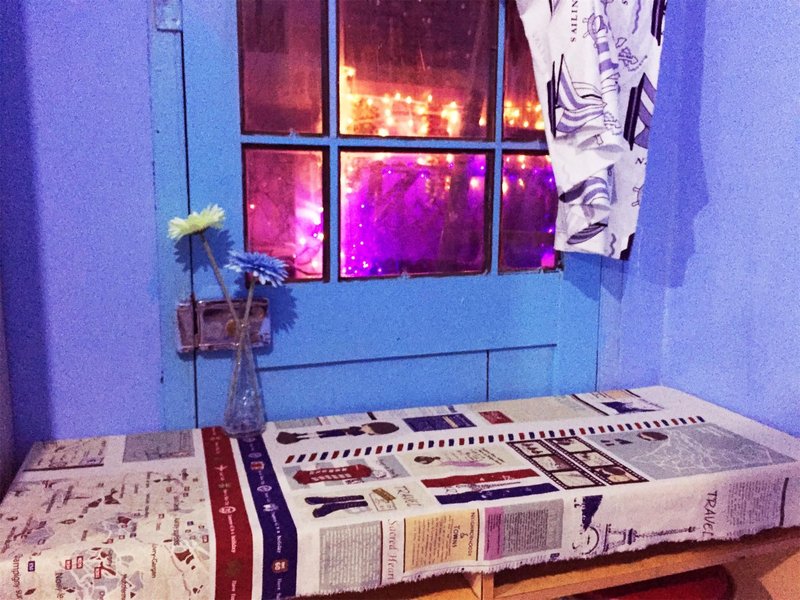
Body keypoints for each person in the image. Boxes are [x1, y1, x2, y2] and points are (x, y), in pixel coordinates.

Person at [276, 421, 399, 444]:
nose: (367, 429)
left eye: (371, 431)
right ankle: (301, 436)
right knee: (321, 433)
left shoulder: (360, 435)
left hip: (336, 434)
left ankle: (303, 437)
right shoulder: (358, 429)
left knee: (322, 435)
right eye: (369, 427)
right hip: (336, 431)